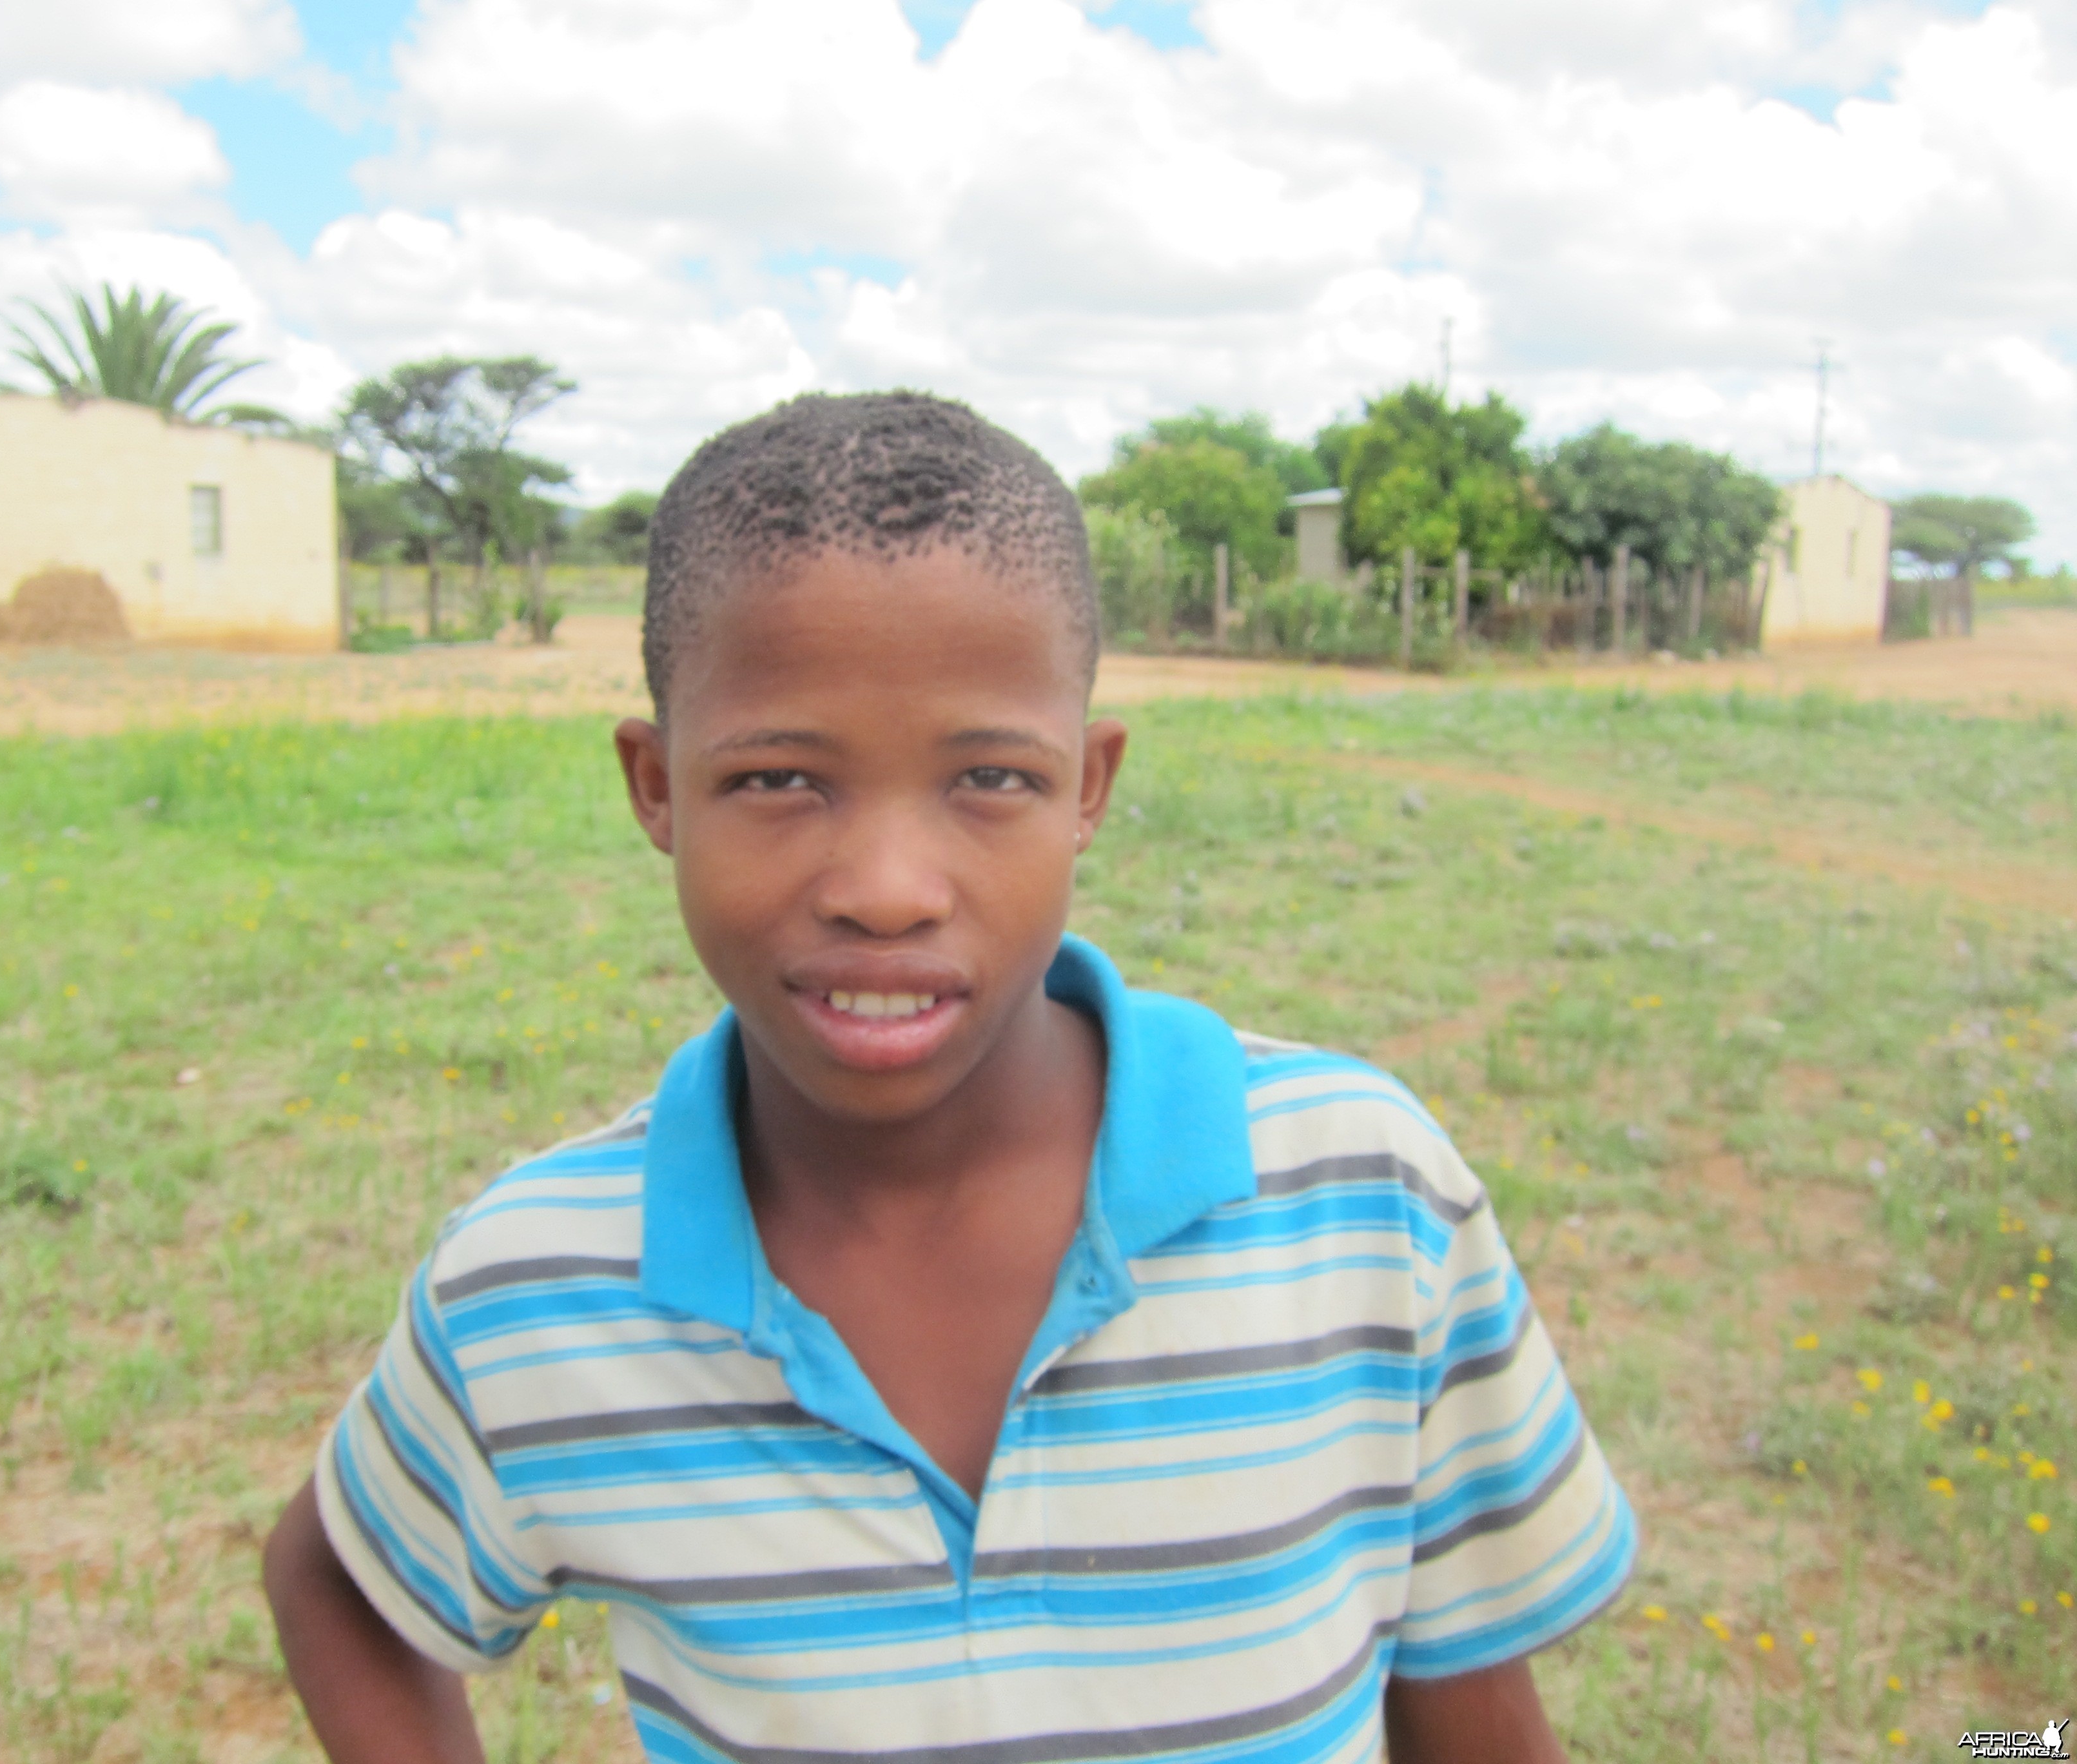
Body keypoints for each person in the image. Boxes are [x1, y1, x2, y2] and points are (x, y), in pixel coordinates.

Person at [263, 392, 1635, 1764]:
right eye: (780, 781)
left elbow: (1474, 1703)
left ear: (1088, 789)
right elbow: (339, 1587)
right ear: (655, 786)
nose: (887, 892)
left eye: (989, 776)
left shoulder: (1362, 1198)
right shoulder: (540, 1283)